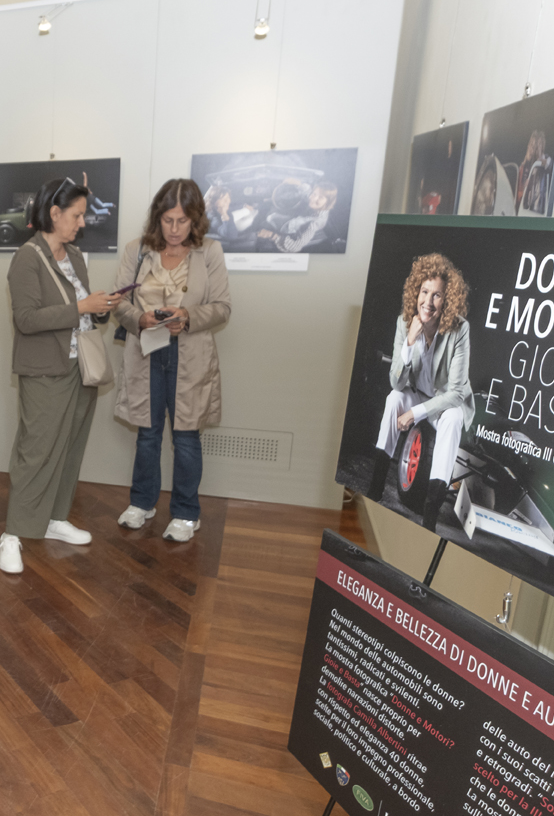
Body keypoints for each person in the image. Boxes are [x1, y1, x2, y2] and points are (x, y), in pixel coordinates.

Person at [0, 178, 122, 574]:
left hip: (78, 366)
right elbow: (26, 319)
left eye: (83, 215)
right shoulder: (27, 258)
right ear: (54, 214)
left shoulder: (76, 256)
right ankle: (13, 535)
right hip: (44, 370)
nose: (82, 223)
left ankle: (53, 519)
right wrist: (81, 305)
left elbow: (81, 309)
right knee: (36, 451)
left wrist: (100, 307)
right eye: (76, 215)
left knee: (70, 445)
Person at [113, 179, 231, 542]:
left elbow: (223, 307)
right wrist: (140, 319)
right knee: (147, 435)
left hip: (189, 354)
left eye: (183, 221)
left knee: (186, 438)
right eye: (168, 220)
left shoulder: (209, 252)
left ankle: (184, 512)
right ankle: (142, 503)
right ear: (157, 218)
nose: (175, 229)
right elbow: (118, 303)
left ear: (195, 219)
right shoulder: (136, 251)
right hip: (147, 351)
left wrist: (188, 316)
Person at [366, 253, 474, 532]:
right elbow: (397, 383)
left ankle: (429, 518)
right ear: (416, 291)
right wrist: (409, 342)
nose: (428, 301)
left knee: (452, 418)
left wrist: (416, 413)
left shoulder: (460, 330)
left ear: (447, 300)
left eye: (437, 295)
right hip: (414, 393)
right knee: (393, 400)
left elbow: (456, 394)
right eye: (424, 292)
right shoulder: (405, 323)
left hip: (443, 403)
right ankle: (375, 491)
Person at [255, 182, 338, 253]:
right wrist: (299, 183)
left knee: (269, 219)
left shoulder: (314, 223)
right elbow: (307, 191)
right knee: (271, 216)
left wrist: (272, 235)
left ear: (328, 202)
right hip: (296, 218)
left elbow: (296, 246)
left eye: (321, 197)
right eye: (314, 194)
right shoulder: (315, 202)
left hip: (291, 233)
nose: (313, 198)